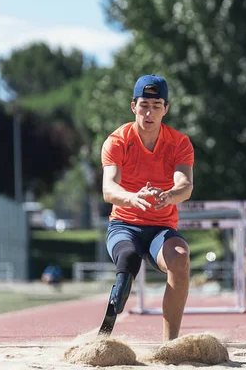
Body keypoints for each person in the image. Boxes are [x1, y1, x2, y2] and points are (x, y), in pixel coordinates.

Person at [101, 74, 194, 342]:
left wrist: (169, 195)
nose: (149, 112)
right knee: (128, 259)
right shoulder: (117, 141)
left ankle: (170, 343)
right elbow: (109, 189)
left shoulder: (179, 142)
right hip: (124, 225)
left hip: (160, 228)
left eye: (156, 106)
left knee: (180, 258)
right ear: (133, 106)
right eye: (144, 105)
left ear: (166, 109)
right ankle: (111, 314)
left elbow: (185, 185)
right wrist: (132, 198)